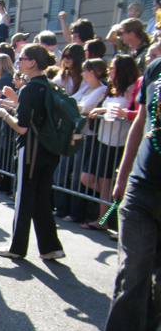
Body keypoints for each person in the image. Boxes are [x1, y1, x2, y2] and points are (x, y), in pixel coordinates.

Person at [83, 57, 161, 331]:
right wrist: (124, 174)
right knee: (134, 268)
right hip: (143, 187)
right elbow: (141, 121)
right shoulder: (156, 68)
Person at [0, 43, 65, 260]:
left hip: (31, 150)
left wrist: (4, 113)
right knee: (41, 198)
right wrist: (13, 106)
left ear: (32, 62)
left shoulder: (30, 88)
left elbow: (22, 127)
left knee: (23, 198)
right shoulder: (49, 86)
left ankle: (17, 248)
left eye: (22, 58)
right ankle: (51, 247)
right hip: (50, 150)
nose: (18, 62)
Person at [79, 54, 140, 230]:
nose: (109, 71)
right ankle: (116, 203)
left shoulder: (131, 89)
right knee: (87, 179)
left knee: (106, 183)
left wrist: (118, 112)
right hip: (102, 138)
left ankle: (103, 219)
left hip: (117, 142)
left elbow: (133, 113)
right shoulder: (111, 88)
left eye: (113, 68)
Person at [55, 58, 109, 223]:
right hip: (73, 134)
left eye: (85, 71)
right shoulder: (86, 88)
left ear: (92, 72)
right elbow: (71, 99)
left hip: (90, 138)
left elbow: (85, 107)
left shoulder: (103, 89)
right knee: (62, 172)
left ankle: (84, 214)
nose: (82, 74)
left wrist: (69, 106)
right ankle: (62, 208)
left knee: (79, 176)